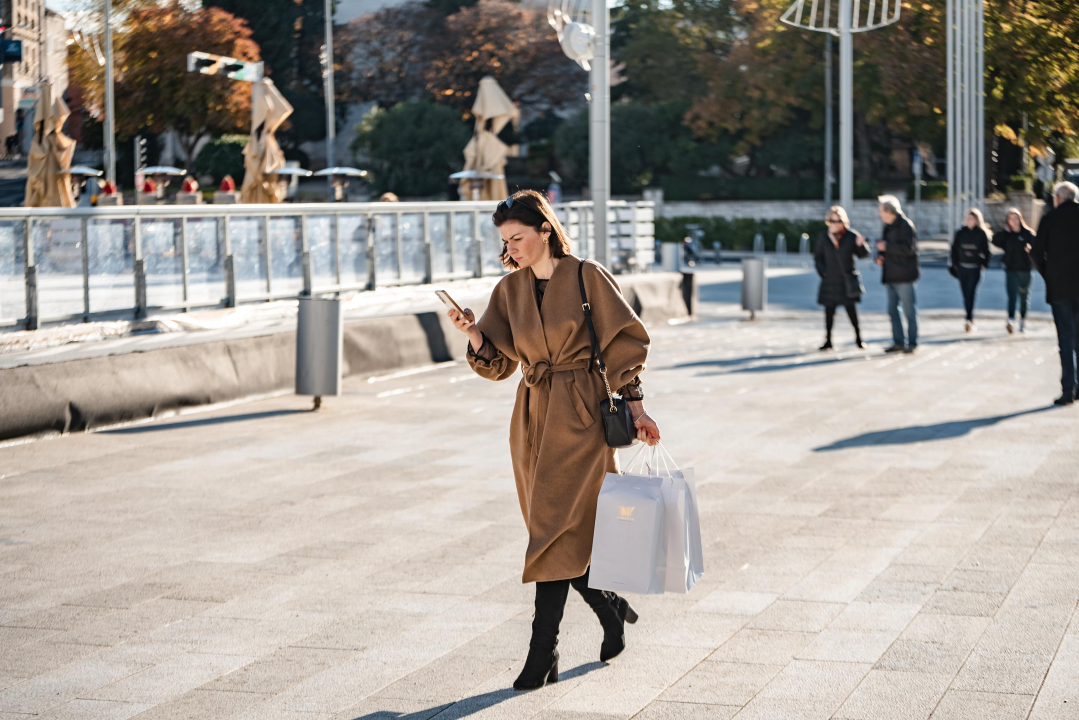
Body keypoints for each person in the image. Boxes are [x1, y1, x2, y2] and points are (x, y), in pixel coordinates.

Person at [446, 190, 662, 690]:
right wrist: (473, 333)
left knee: (552, 530)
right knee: (557, 529)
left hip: (582, 414)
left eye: (518, 237)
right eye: (505, 241)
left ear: (545, 230)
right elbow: (499, 364)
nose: (512, 248)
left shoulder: (587, 275)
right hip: (532, 417)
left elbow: (625, 342)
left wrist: (638, 408)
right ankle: (610, 611)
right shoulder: (510, 289)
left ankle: (542, 655)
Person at [1031, 181, 1079, 406]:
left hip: (1060, 287)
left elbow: (1037, 253)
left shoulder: (1049, 219)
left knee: (1066, 339)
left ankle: (1068, 388)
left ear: (1058, 198)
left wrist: (1048, 274)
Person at [814, 205, 868, 350]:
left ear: (844, 222)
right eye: (832, 221)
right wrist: (822, 272)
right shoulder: (825, 237)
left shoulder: (851, 236)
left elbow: (863, 255)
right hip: (830, 280)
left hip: (846, 280)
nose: (835, 224)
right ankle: (828, 340)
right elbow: (818, 257)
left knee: (851, 310)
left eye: (838, 221)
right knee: (829, 312)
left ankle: (858, 338)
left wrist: (861, 245)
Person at [875, 195, 920, 353]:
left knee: (909, 311)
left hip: (905, 276)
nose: (879, 213)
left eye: (881, 210)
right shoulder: (887, 226)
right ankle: (898, 342)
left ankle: (912, 343)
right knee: (892, 311)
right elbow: (885, 247)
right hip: (890, 275)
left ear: (889, 210)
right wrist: (880, 256)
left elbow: (909, 249)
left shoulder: (905, 225)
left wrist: (887, 247)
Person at [992, 207, 1036, 333]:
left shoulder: (1028, 234)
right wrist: (1004, 231)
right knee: (1012, 296)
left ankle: (1022, 320)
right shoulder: (1007, 235)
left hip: (1025, 270)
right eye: (1011, 219)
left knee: (1024, 296)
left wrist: (1031, 251)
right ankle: (1010, 319)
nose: (1014, 221)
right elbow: (995, 240)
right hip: (1011, 269)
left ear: (1020, 219)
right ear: (1008, 221)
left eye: (1016, 218)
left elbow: (1038, 249)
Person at [949, 208, 992, 332]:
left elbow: (987, 251)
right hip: (962, 268)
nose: (968, 221)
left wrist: (984, 263)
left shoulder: (981, 234)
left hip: (975, 268)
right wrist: (955, 263)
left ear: (976, 220)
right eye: (967, 218)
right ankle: (968, 317)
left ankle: (969, 319)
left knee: (971, 293)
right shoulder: (960, 233)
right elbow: (954, 249)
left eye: (971, 218)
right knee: (965, 294)